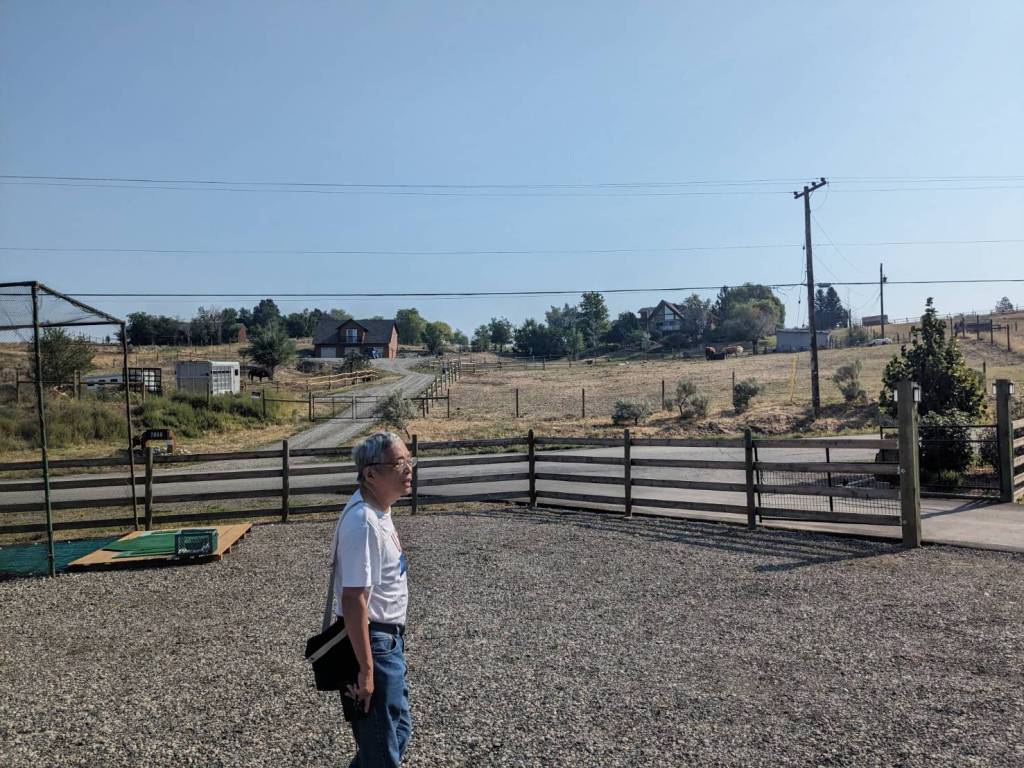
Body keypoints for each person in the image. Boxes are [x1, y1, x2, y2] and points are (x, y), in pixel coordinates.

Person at [332, 431, 414, 767]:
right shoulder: (364, 522)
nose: (408, 468)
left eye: (409, 459)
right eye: (398, 462)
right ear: (370, 474)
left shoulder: (379, 512)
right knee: (381, 752)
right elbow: (353, 600)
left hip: (387, 642)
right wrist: (366, 671)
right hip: (375, 644)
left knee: (397, 732)